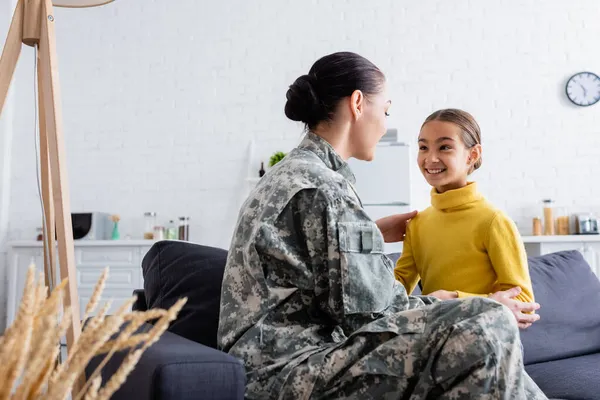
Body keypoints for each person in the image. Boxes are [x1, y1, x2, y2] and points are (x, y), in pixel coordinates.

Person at [217, 51, 547, 399]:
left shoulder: (291, 174)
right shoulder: (325, 188)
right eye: (386, 111)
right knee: (489, 321)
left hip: (266, 366)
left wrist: (368, 235)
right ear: (358, 103)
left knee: (483, 328)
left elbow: (314, 268)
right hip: (291, 372)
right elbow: (378, 315)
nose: (386, 124)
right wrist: (473, 303)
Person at [394, 109, 540, 329]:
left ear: (472, 155)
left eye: (444, 147)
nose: (430, 158)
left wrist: (454, 298)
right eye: (423, 147)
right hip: (434, 340)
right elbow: (395, 291)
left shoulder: (493, 221)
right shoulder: (418, 224)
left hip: (487, 344)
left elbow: (523, 304)